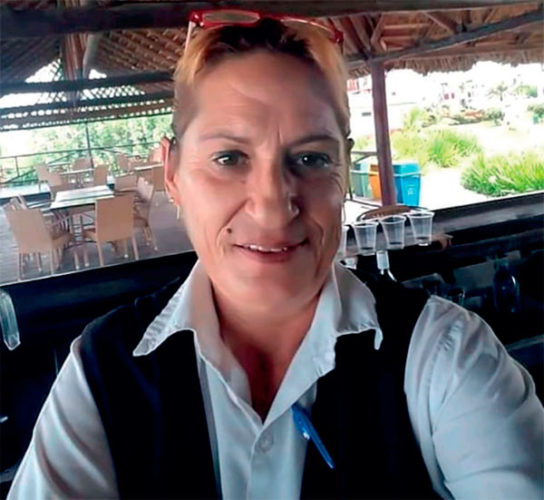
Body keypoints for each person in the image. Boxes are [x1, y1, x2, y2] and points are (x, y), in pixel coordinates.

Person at [8, 10, 543, 500]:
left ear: (344, 170)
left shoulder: (445, 357)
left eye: (310, 158)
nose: (271, 206)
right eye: (229, 158)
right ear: (171, 174)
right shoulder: (102, 373)